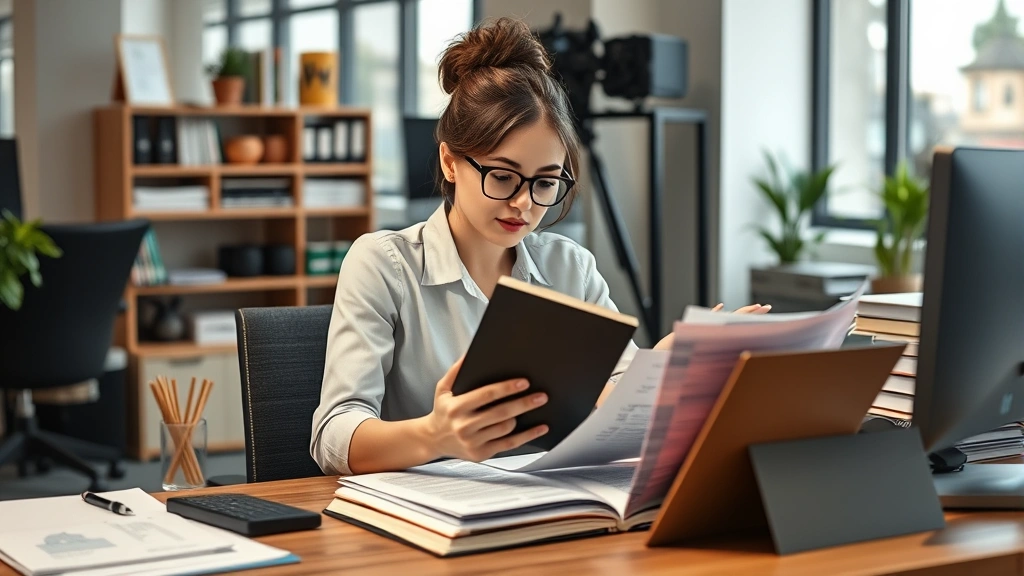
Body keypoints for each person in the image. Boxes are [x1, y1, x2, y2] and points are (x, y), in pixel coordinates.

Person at [310, 17, 768, 477]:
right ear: (450, 161)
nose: (524, 204)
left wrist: (664, 372)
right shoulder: (384, 265)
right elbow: (333, 437)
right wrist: (433, 434)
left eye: (546, 182)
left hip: (547, 505)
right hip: (422, 518)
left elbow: (609, 397)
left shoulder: (571, 267)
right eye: (503, 176)